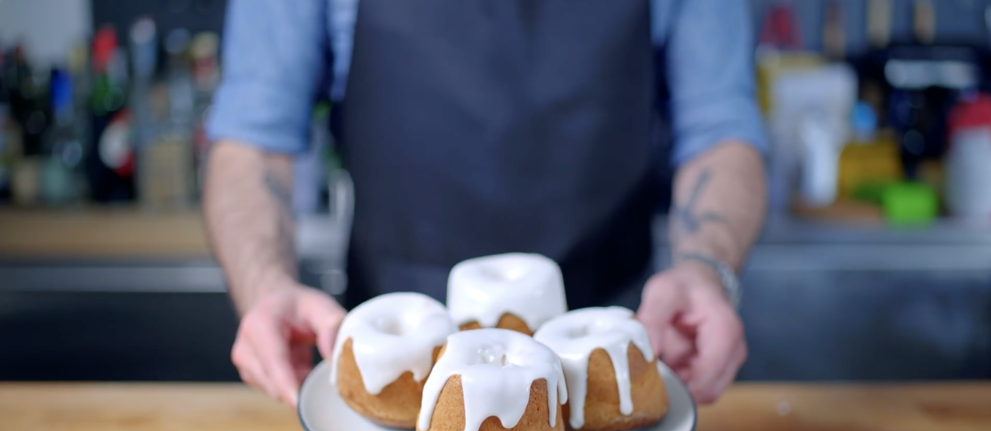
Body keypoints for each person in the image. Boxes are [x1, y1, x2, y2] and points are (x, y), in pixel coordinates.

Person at [202, 0, 769, 409]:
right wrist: (266, 286)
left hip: (609, 362)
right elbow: (253, 138)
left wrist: (707, 268)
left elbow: (720, 130)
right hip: (393, 368)